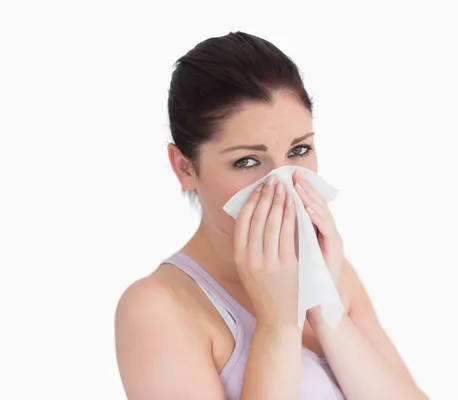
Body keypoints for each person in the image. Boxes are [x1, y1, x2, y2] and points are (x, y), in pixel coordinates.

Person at [115, 31, 428, 400]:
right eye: (246, 161)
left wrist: (325, 312)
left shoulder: (337, 275)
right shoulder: (156, 309)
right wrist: (277, 326)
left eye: (299, 150)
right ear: (185, 167)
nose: (283, 183)